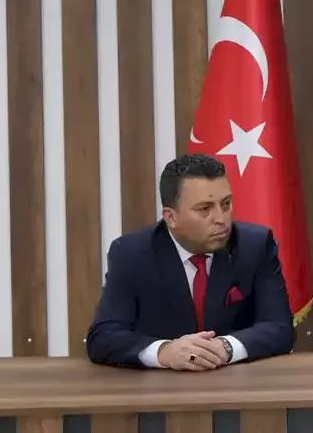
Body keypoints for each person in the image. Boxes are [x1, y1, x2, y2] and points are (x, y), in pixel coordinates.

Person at [86, 153, 295, 369]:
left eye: (226, 204)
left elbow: (280, 327)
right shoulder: (132, 254)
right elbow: (103, 337)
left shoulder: (255, 246)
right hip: (161, 385)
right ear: (171, 217)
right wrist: (164, 351)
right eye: (204, 209)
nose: (221, 219)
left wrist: (226, 347)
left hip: (236, 381)